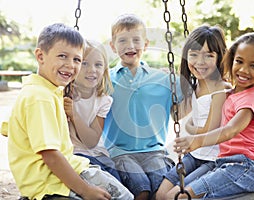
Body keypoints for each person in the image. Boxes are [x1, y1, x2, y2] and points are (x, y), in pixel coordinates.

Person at [7, 23, 133, 200]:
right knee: (123, 197)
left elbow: (17, 125)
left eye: (76, 59)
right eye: (62, 56)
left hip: (69, 167)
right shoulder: (40, 97)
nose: (70, 65)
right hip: (49, 182)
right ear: (40, 56)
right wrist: (86, 191)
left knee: (121, 192)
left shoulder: (46, 90)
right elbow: (50, 155)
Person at [167, 32, 254, 199]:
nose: (244, 70)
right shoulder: (232, 93)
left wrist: (198, 140)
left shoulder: (252, 100)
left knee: (182, 196)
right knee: (175, 194)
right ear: (231, 59)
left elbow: (230, 130)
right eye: (239, 61)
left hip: (247, 168)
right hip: (227, 165)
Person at [102, 13, 182, 200]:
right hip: (120, 153)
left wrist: (220, 87)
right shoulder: (105, 79)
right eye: (122, 41)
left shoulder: (162, 79)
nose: (130, 46)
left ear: (145, 44)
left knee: (160, 187)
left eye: (136, 40)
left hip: (155, 151)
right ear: (113, 47)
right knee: (141, 188)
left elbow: (196, 92)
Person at [156, 24, 232, 200]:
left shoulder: (221, 89)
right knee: (160, 195)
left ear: (220, 57)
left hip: (213, 160)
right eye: (194, 55)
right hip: (194, 155)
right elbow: (177, 114)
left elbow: (211, 129)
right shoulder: (196, 87)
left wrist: (190, 130)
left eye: (209, 55)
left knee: (174, 196)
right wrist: (168, 86)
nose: (200, 62)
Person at [64, 39, 121, 182]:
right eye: (84, 63)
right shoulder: (63, 94)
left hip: (99, 155)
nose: (92, 70)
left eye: (98, 64)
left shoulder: (103, 100)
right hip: (74, 156)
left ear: (104, 70)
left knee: (117, 183)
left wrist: (74, 115)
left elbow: (91, 141)